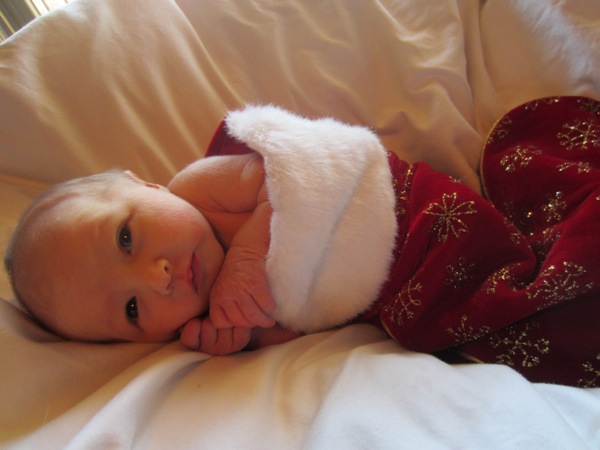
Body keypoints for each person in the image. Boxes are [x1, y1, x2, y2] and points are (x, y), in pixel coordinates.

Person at [4, 97, 600, 387]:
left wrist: (245, 260)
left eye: (126, 237)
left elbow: (289, 180)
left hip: (407, 214)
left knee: (500, 277)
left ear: (147, 185)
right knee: (453, 323)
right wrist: (247, 333)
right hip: (394, 289)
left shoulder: (200, 187)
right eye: (132, 309)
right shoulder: (204, 312)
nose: (155, 276)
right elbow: (304, 320)